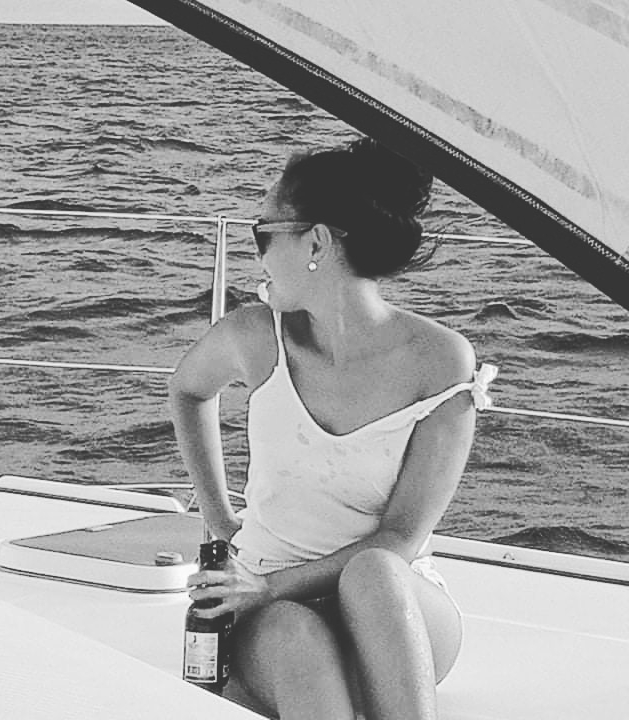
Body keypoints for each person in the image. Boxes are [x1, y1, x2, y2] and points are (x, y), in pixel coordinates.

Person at [169, 138, 496, 720]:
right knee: (293, 632)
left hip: (392, 615)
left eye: (263, 234)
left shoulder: (441, 361)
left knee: (376, 569)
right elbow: (188, 390)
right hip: (271, 612)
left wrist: (270, 585)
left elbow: (401, 537)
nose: (258, 257)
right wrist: (220, 520)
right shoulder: (253, 336)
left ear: (316, 242)